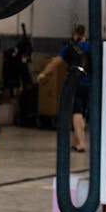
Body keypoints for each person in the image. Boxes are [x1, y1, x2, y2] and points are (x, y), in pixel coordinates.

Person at [37, 24, 93, 152]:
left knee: (76, 113)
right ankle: (76, 141)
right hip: (90, 85)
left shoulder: (69, 47)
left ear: (74, 34)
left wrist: (42, 74)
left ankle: (82, 144)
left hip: (76, 83)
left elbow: (54, 63)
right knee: (83, 114)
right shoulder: (91, 46)